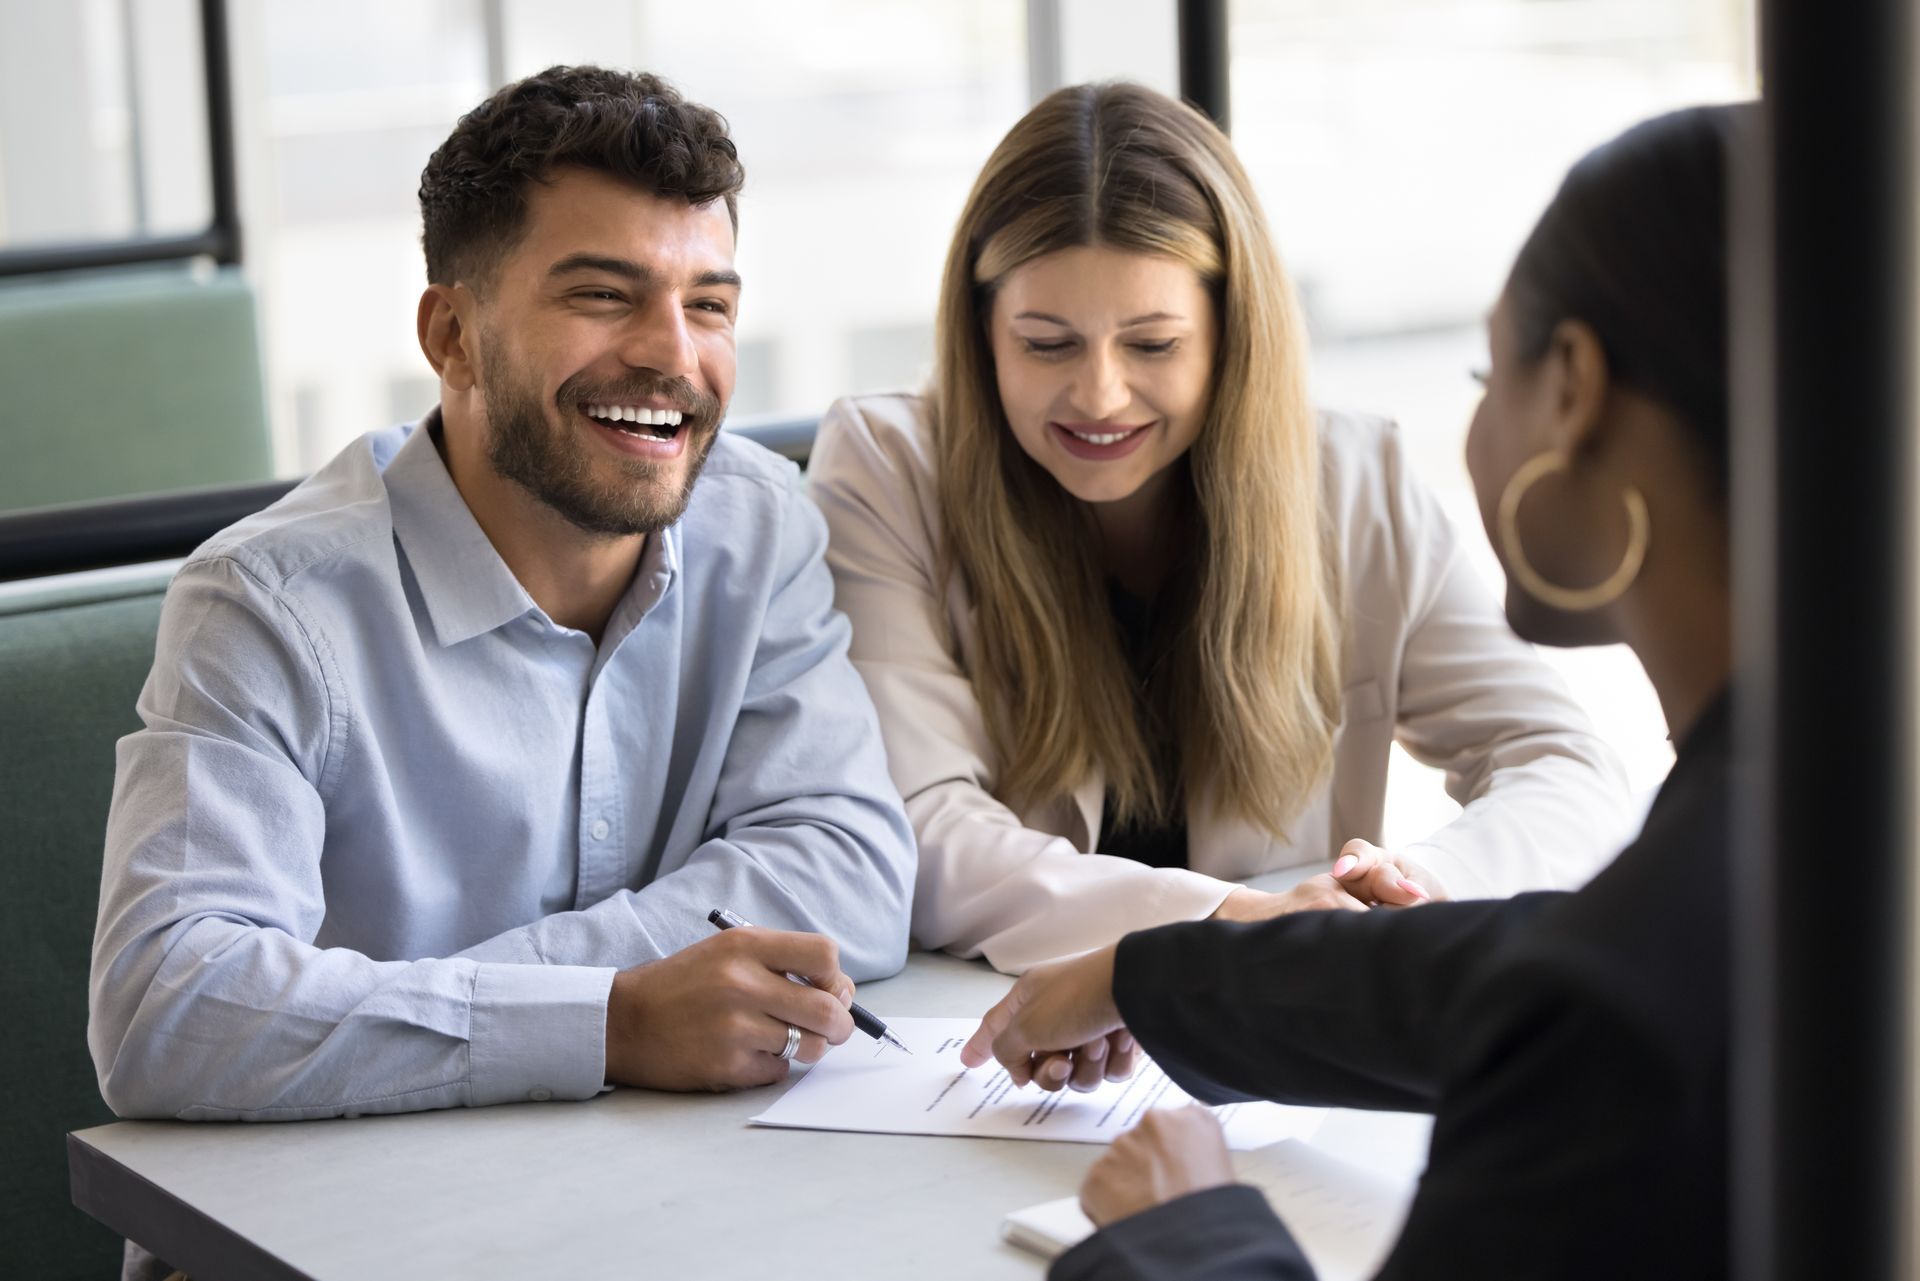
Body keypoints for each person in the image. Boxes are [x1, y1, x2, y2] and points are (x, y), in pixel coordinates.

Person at [963, 102, 1742, 1279]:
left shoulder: (1616, 1021)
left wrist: (1189, 1236)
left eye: (1491, 370)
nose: (1102, 393)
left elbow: (1574, 987)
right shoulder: (1786, 833)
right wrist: (1156, 973)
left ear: (1573, 391)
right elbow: (1537, 956)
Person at [88, 67, 917, 1127]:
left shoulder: (758, 525)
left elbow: (848, 867)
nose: (675, 355)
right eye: (602, 296)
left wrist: (510, 1000)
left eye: (709, 305)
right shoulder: (265, 604)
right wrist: (607, 1020)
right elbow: (171, 1010)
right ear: (452, 339)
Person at [807, 81, 1631, 978]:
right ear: (982, 334)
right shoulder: (886, 467)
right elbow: (917, 826)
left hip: (1282, 1044)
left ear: (1232, 334)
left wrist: (1414, 891)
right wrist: (1234, 922)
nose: (1099, 395)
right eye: (1047, 344)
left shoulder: (1360, 480)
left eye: (1153, 344)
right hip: (996, 1039)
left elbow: (1560, 759)